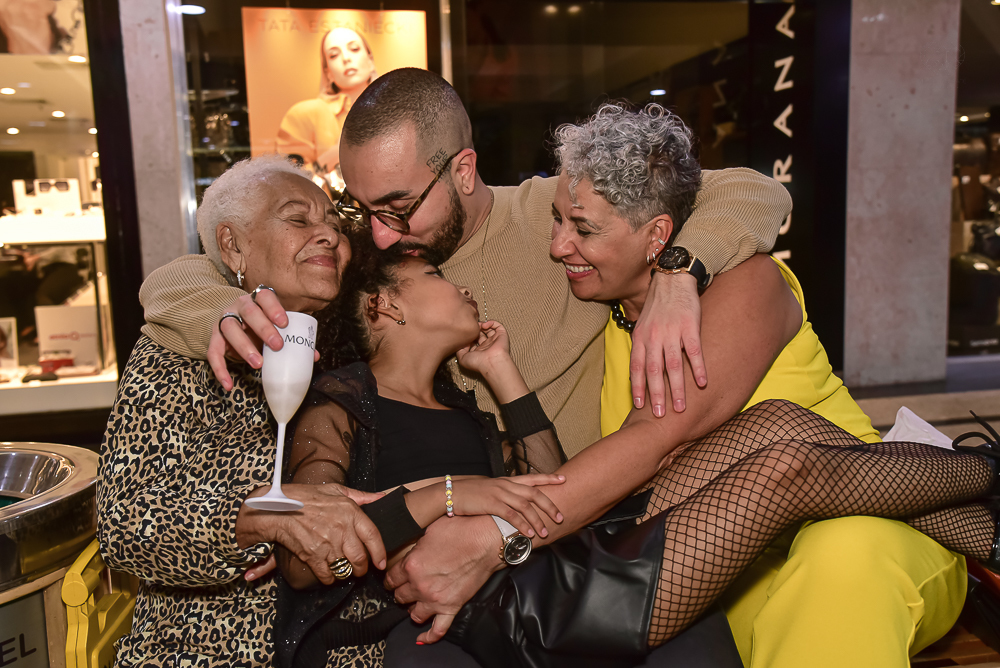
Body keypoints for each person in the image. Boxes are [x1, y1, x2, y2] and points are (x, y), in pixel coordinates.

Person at [276, 236, 1000, 668]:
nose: (460, 284)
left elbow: (546, 482)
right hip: (527, 612)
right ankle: (990, 475)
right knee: (787, 469)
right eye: (434, 277)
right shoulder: (341, 400)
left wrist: (502, 374)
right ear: (385, 304)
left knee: (779, 422)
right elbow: (309, 553)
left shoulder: (464, 406)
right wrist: (448, 496)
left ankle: (989, 529)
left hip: (552, 555)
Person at [545, 102, 967, 666]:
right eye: (557, 220)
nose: (558, 245)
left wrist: (499, 536)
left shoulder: (746, 279)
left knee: (839, 559)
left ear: (658, 235)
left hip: (876, 522)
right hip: (733, 565)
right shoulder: (604, 317)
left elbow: (656, 438)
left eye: (583, 229)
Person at [97, 156, 388, 667]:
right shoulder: (177, 351)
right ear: (232, 245)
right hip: (210, 645)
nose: (328, 235)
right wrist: (258, 518)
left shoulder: (355, 340)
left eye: (334, 225)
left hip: (349, 644)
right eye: (297, 219)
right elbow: (124, 524)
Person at [278, 27, 377, 190]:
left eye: (354, 49)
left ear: (370, 60)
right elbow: (289, 184)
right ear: (327, 71)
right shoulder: (303, 115)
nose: (346, 58)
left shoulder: (397, 112)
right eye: (333, 55)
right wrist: (334, 155)